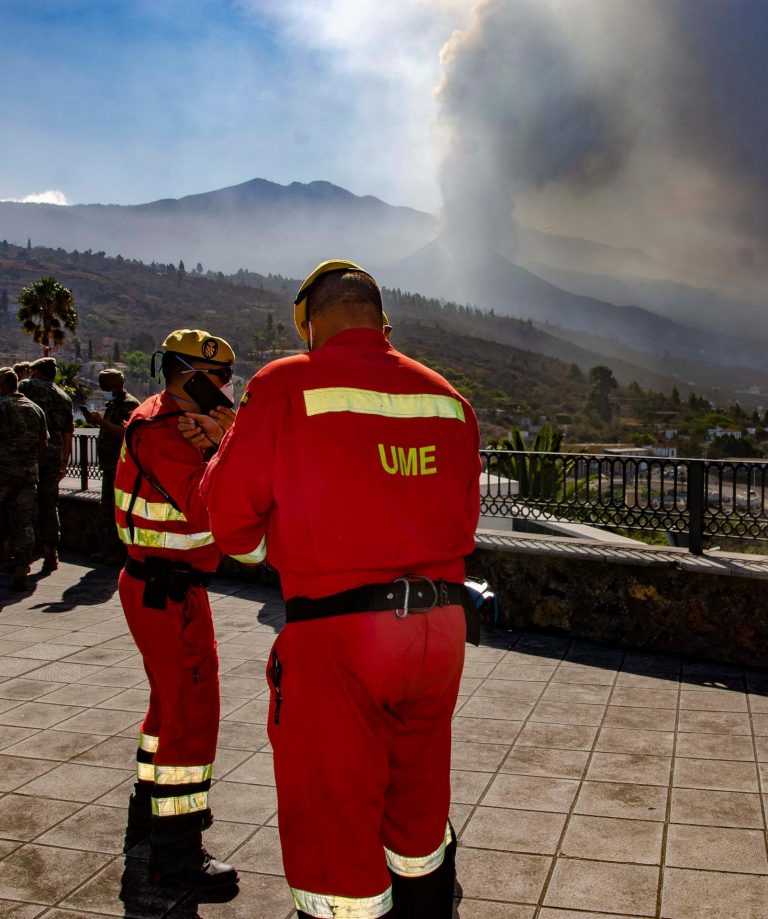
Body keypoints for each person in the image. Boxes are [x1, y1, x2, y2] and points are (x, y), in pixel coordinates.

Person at [201, 260, 481, 919]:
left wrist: (292, 546)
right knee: (418, 811)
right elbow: (464, 520)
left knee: (333, 820)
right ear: (381, 320)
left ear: (311, 321)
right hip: (438, 632)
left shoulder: (285, 384)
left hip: (341, 636)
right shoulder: (448, 397)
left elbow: (231, 526)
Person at [113, 329, 240, 893]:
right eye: (220, 379)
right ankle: (177, 853)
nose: (227, 390)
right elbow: (206, 505)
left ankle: (149, 813)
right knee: (191, 714)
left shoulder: (163, 417)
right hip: (168, 594)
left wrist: (215, 440)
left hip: (165, 590)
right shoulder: (165, 432)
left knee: (167, 710)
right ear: (190, 377)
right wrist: (224, 447)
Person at [19, 356, 74, 572]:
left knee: (23, 504)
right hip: (53, 457)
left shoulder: (26, 388)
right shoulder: (63, 396)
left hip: (27, 456)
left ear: (38, 373)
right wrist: (64, 461)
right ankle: (51, 552)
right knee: (50, 504)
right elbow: (69, 432)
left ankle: (21, 555)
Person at [84, 368, 139, 565]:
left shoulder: (129, 404)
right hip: (109, 466)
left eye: (106, 387)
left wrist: (101, 422)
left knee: (121, 511)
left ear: (117, 386)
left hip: (121, 466)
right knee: (107, 509)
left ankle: (122, 553)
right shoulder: (114, 404)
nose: (104, 390)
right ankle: (107, 549)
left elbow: (127, 433)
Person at [0, 367, 48, 590]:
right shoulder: (35, 409)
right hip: (28, 474)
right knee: (24, 522)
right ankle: (22, 566)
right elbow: (42, 445)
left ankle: (6, 556)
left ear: (4, 385)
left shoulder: (2, 407)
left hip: (3, 474)